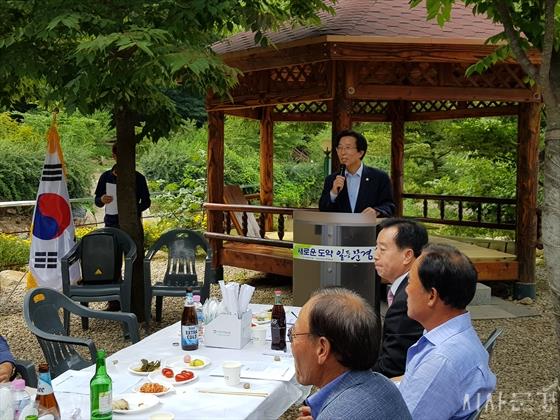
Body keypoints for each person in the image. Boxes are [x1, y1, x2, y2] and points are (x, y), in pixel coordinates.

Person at [399, 244, 496, 419]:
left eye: (410, 282)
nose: (406, 289)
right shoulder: (457, 337)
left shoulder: (441, 361)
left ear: (431, 296)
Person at [292, 288, 411, 420]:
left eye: (294, 335)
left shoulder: (335, 416)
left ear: (322, 349)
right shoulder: (384, 385)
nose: (292, 344)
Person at [372, 218, 427, 378]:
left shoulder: (408, 299)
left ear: (407, 255)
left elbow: (391, 367)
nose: (375, 256)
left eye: (382, 249)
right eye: (376, 248)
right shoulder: (412, 284)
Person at [319, 130, 395, 217]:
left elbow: (389, 206)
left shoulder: (379, 177)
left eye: (348, 148)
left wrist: (376, 211)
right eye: (339, 148)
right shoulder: (331, 179)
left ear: (360, 153)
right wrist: (333, 194)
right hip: (340, 226)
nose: (342, 152)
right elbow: (323, 209)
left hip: (369, 225)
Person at [94, 142, 151, 228]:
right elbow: (97, 201)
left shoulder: (139, 178)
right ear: (114, 156)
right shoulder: (105, 177)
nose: (124, 159)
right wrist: (102, 199)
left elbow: (146, 202)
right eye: (121, 156)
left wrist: (132, 210)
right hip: (111, 224)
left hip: (132, 225)